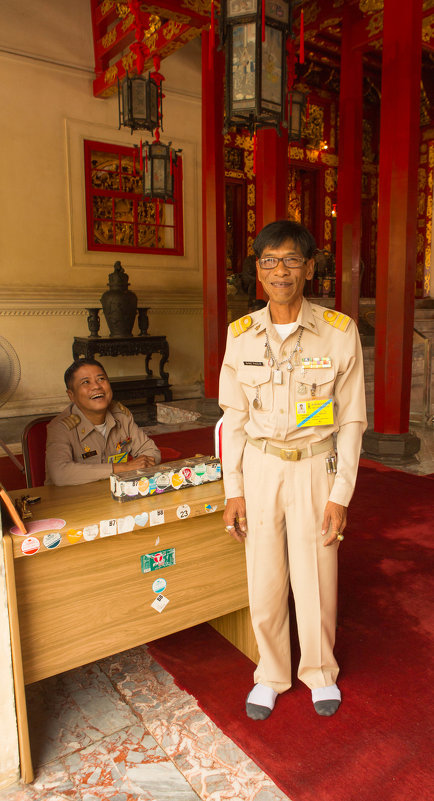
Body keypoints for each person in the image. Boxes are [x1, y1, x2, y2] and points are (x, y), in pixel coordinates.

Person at [219, 220, 367, 720]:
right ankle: (272, 674)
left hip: (312, 468)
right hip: (260, 468)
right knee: (263, 581)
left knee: (317, 576)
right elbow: (234, 420)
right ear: (256, 271)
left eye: (290, 260)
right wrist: (233, 489)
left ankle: (319, 672)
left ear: (308, 268)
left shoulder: (339, 334)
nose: (279, 270)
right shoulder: (240, 337)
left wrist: (340, 494)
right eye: (269, 261)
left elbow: (350, 420)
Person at [45, 358, 161, 486]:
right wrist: (123, 467)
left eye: (101, 379)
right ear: (71, 395)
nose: (96, 386)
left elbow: (151, 451)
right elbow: (60, 474)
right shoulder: (61, 427)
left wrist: (144, 462)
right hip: (74, 500)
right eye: (86, 382)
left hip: (115, 494)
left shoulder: (121, 416)